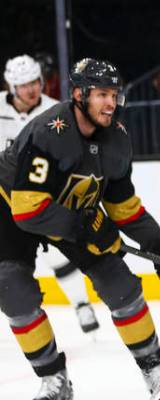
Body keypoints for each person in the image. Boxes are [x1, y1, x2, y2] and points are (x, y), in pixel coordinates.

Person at [0, 58, 160, 400]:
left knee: (121, 287)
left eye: (114, 94)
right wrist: (86, 228)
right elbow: (28, 210)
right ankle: (53, 380)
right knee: (13, 291)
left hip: (72, 209)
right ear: (78, 95)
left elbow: (123, 208)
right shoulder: (48, 131)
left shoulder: (117, 139)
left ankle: (155, 371)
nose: (111, 102)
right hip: (12, 207)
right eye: (102, 94)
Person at [1, 55, 99, 335]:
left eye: (34, 82)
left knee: (58, 257)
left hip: (43, 197)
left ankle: (81, 305)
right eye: (23, 84)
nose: (30, 89)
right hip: (4, 201)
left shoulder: (56, 111)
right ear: (12, 87)